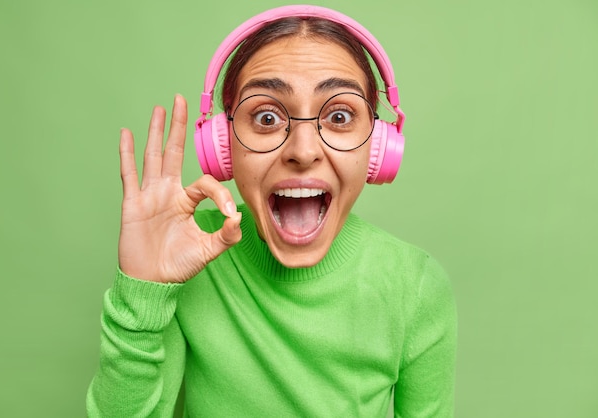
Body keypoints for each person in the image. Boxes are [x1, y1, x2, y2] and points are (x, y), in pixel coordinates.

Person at [86, 5, 457, 417]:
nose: (302, 151)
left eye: (339, 115)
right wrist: (141, 293)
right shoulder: (187, 257)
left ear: (378, 147)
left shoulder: (416, 286)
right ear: (223, 146)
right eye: (266, 116)